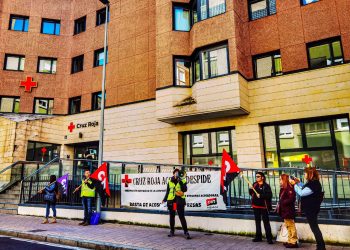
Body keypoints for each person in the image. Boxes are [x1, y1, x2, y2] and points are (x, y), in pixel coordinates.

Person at [290, 167, 325, 250]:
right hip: (312, 209)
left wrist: (294, 184)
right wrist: (298, 183)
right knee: (314, 227)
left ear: (310, 174)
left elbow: (302, 193)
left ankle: (321, 247)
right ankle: (320, 246)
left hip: (311, 209)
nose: (304, 174)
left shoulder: (313, 184)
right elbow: (305, 188)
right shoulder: (312, 183)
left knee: (315, 228)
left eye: (305, 173)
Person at [162, 169, 191, 239]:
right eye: (176, 173)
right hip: (172, 202)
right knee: (172, 216)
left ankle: (186, 232)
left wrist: (180, 181)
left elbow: (185, 190)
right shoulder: (170, 181)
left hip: (180, 201)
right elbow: (168, 191)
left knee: (181, 216)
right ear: (173, 174)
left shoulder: (183, 180)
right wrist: (164, 199)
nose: (177, 174)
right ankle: (172, 231)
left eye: (178, 173)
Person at [249, 171, 273, 244]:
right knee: (257, 222)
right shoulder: (254, 184)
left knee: (266, 222)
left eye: (258, 176)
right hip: (255, 206)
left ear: (262, 177)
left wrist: (261, 195)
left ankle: (269, 238)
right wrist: (250, 189)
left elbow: (269, 195)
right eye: (256, 176)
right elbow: (251, 193)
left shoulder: (266, 186)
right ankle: (258, 237)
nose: (257, 178)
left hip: (263, 207)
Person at [278, 174, 298, 248]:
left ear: (284, 180)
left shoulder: (289, 188)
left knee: (291, 225)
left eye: (280, 179)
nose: (279, 181)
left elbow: (292, 199)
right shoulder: (283, 188)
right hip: (285, 210)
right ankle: (290, 240)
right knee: (288, 226)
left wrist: (282, 202)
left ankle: (293, 242)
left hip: (288, 210)